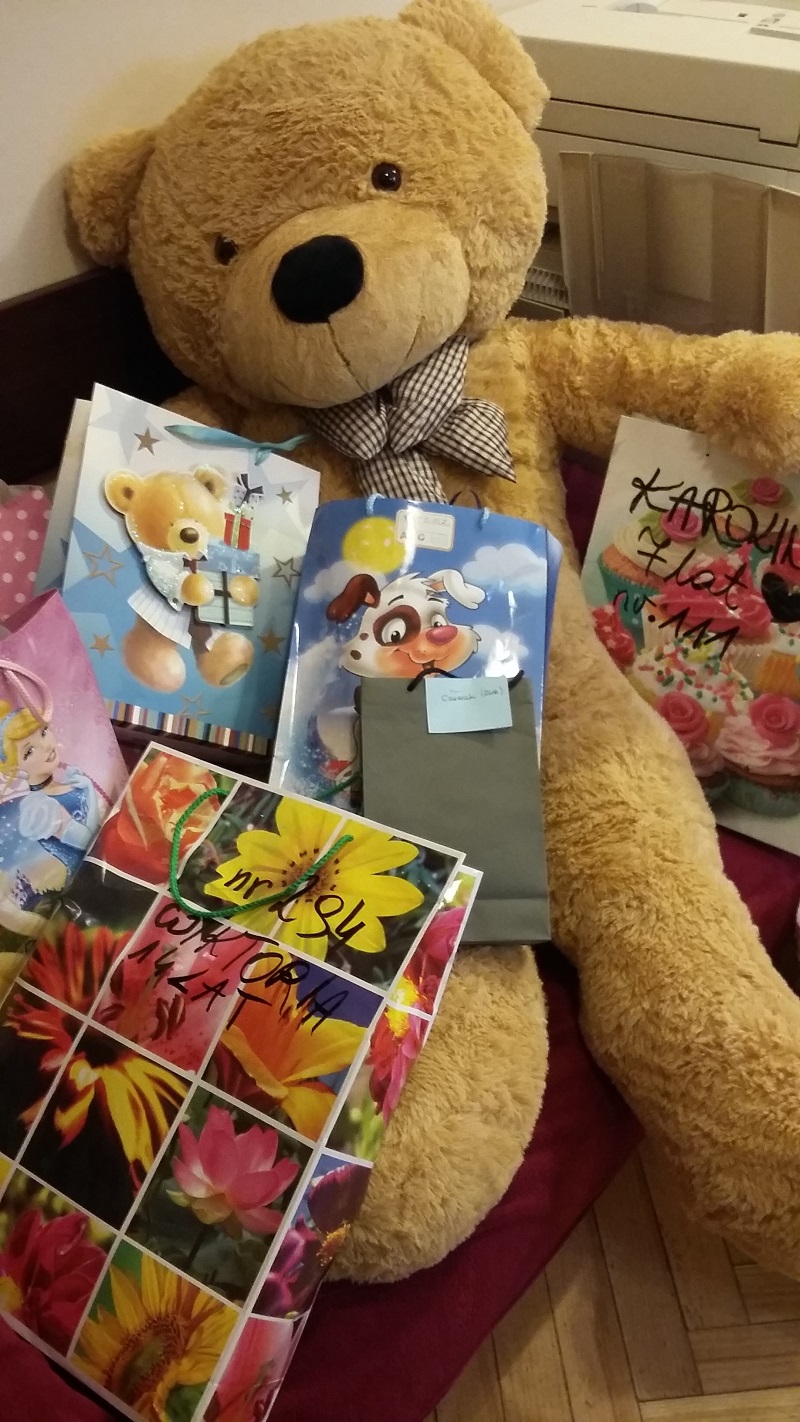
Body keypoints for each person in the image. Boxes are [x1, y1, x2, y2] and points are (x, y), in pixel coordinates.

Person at [0, 700, 99, 941]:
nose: (45, 746)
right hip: (85, 881)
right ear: (16, 770)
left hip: (103, 869)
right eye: (29, 751)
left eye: (44, 732)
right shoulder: (40, 808)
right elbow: (87, 840)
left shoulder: (73, 781)